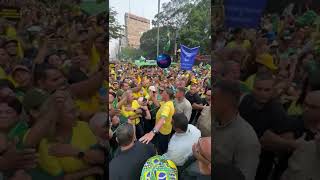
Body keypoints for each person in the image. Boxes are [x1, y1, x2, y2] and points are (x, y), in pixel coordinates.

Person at [213, 80, 260, 180]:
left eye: (213, 99)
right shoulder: (213, 122)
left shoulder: (246, 138)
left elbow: (245, 176)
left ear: (226, 102)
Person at [281, 90, 320, 180]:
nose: (306, 109)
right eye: (305, 104)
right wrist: (288, 143)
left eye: (313, 107)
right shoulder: (292, 122)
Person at [139, 87, 175, 155]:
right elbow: (157, 104)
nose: (161, 94)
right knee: (159, 144)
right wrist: (152, 96)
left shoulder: (167, 106)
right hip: (161, 129)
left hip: (164, 132)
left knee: (162, 148)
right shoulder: (166, 102)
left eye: (163, 93)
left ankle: (161, 157)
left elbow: (162, 119)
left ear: (166, 95)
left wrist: (153, 132)